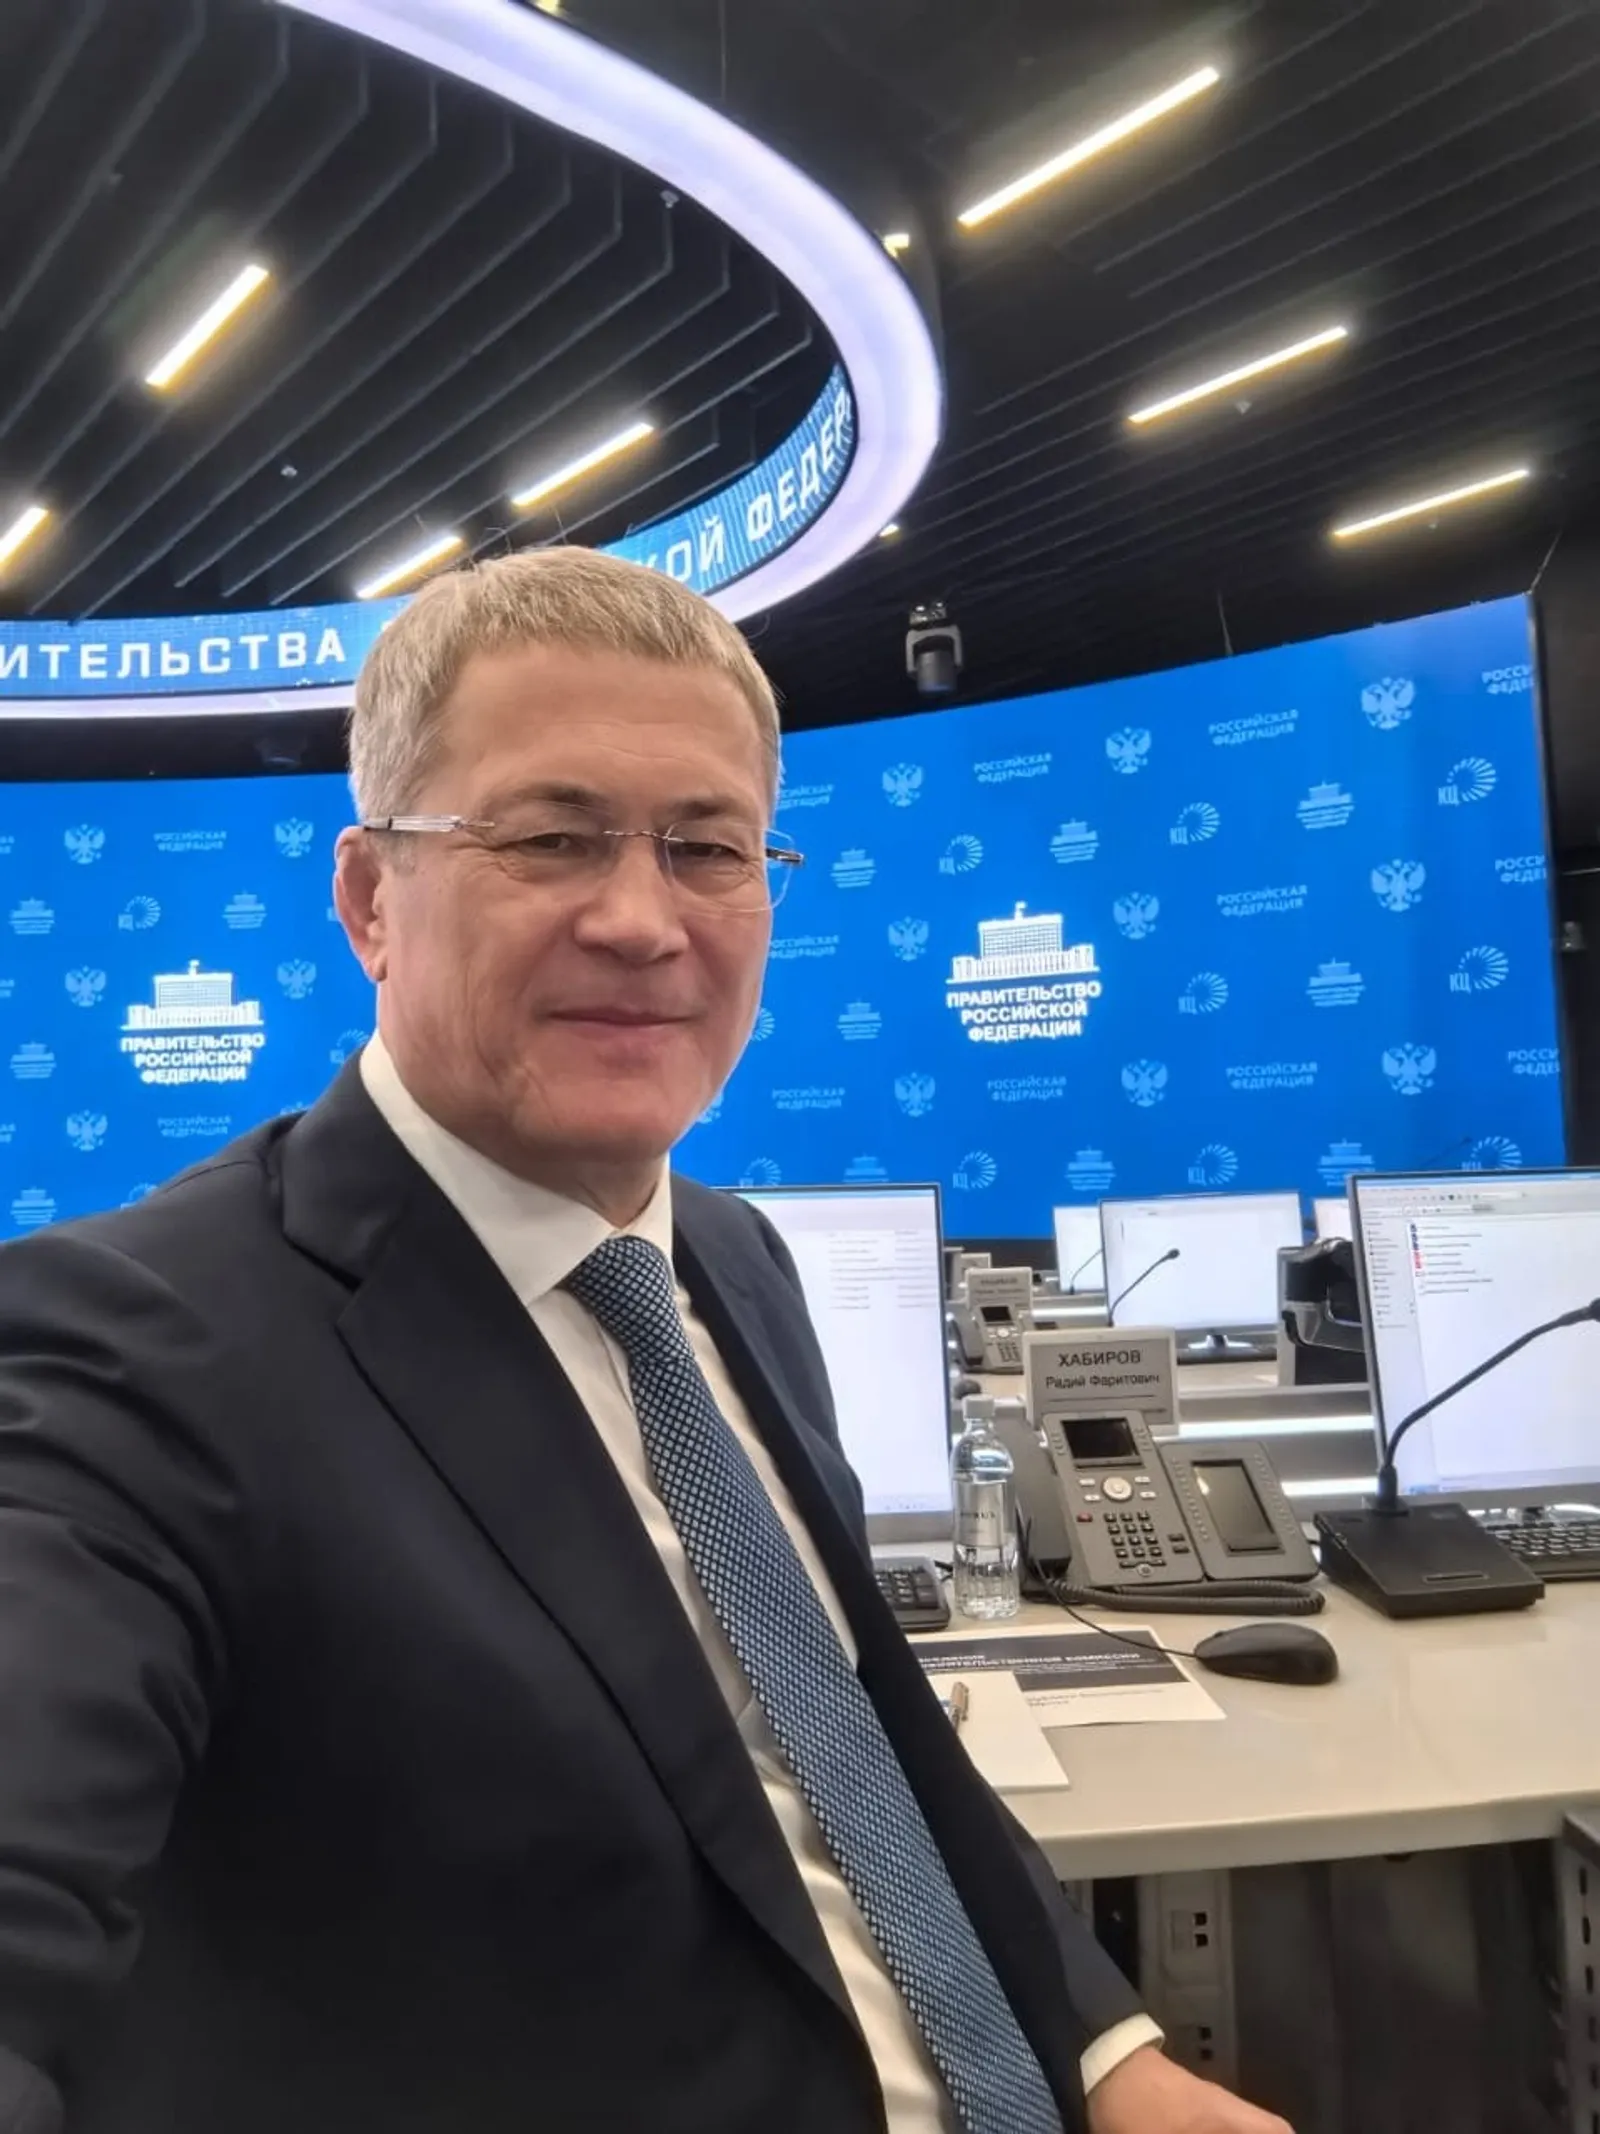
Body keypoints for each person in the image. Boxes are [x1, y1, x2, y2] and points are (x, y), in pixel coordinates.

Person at [0, 549, 1291, 2134]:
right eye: (550, 838)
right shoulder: (127, 1342)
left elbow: (862, 1737)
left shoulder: (735, 1261)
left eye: (707, 846)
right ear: (369, 899)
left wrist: (1111, 2059)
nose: (640, 919)